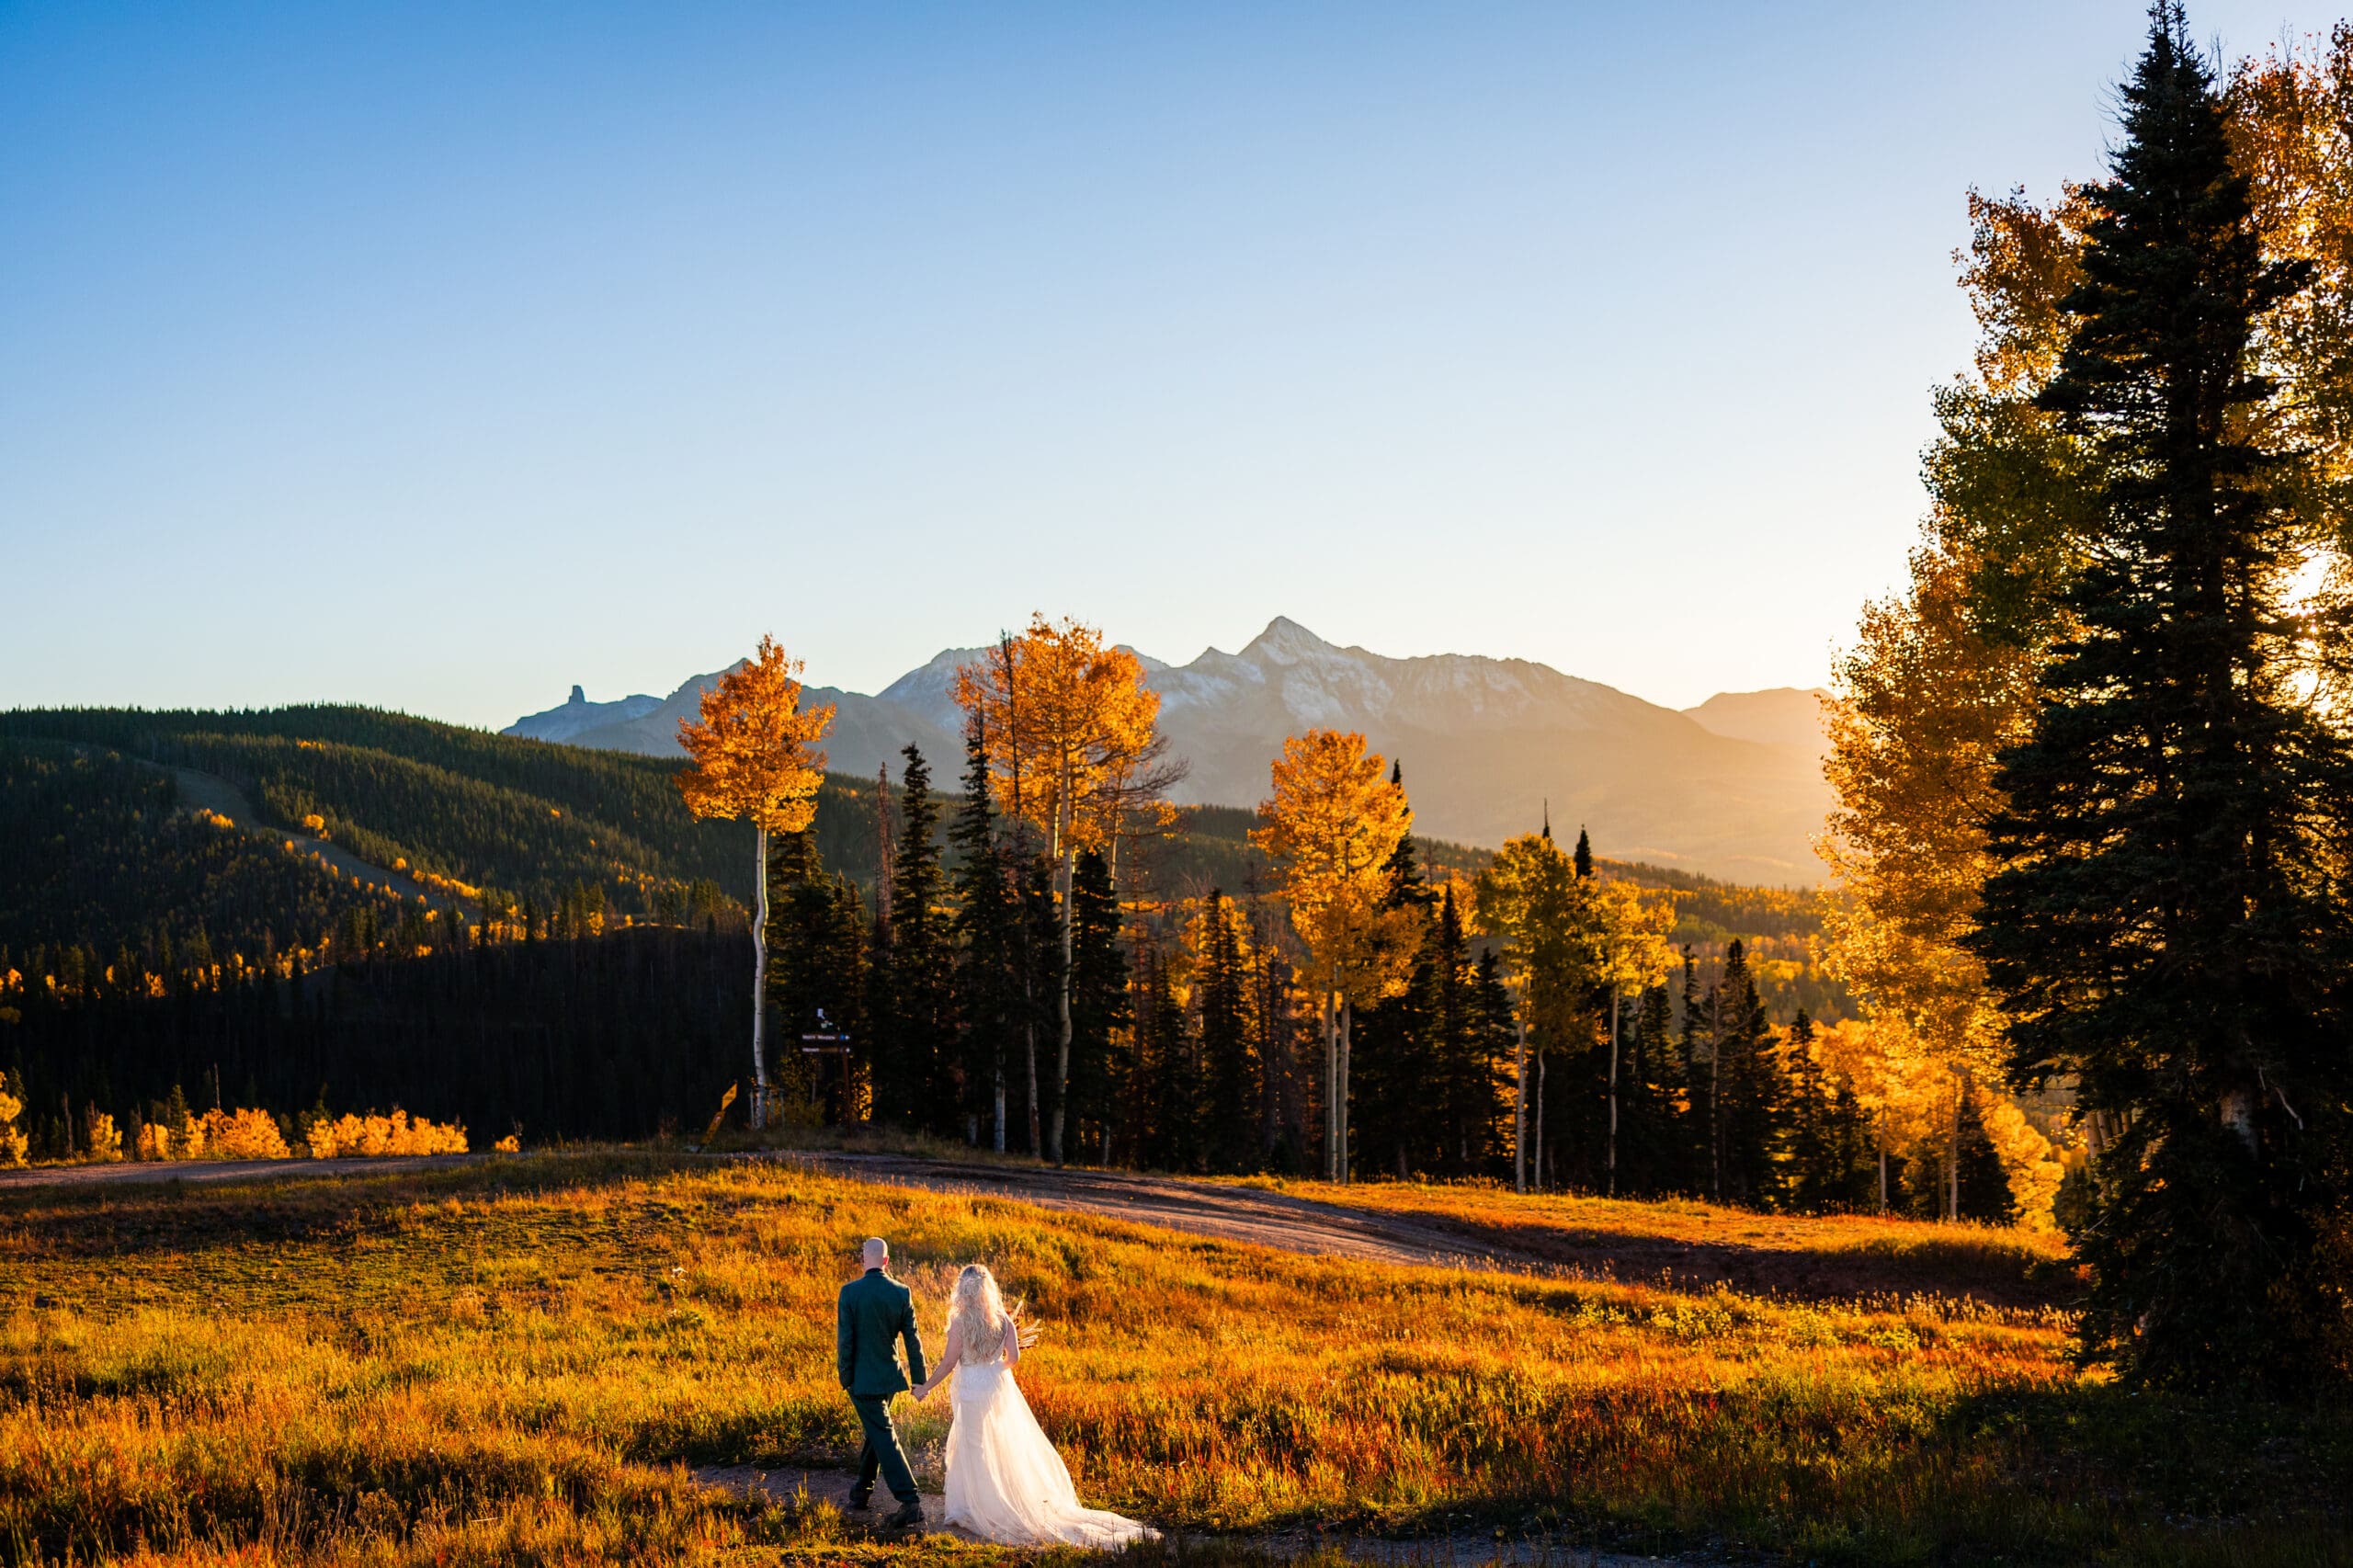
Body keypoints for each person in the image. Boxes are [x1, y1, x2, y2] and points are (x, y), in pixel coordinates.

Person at [911, 1263, 1156, 1548]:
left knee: (974, 1447)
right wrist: (993, 1370)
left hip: (972, 1389)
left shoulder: (960, 1322)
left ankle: (980, 1507)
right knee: (999, 1445)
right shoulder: (1003, 1320)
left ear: (962, 1290)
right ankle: (991, 1499)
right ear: (988, 1289)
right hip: (995, 1386)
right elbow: (1013, 1359)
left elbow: (948, 1362)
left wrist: (926, 1387)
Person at [835, 1235, 927, 1529]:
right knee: (877, 1431)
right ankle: (861, 1491)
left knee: (883, 1433)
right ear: (886, 1261)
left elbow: (845, 1342)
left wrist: (845, 1378)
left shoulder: (849, 1293)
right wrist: (919, 1380)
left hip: (863, 1381)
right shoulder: (901, 1292)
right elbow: (913, 1340)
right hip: (889, 1379)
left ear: (864, 1259)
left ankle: (909, 1499)